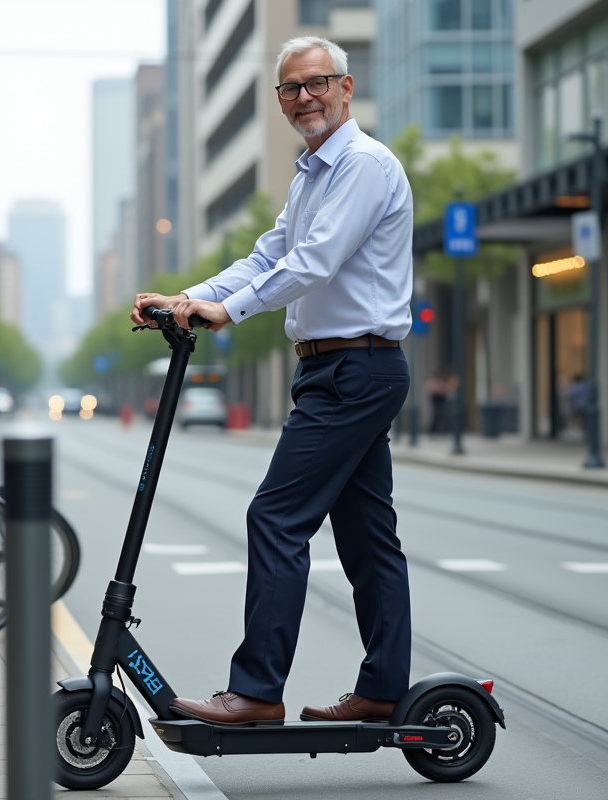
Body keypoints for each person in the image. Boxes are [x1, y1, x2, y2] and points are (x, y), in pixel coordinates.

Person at [132, 36, 414, 726]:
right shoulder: (312, 174)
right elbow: (267, 257)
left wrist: (227, 311)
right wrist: (189, 297)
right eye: (291, 88)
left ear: (346, 88)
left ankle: (257, 692)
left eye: (318, 83)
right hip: (334, 368)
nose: (304, 97)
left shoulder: (363, 165)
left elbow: (314, 261)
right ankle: (383, 689)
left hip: (355, 367)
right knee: (366, 535)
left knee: (276, 517)